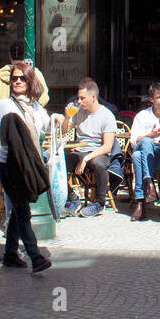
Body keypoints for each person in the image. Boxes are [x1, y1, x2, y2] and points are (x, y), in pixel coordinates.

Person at [0, 62, 52, 272]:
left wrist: (65, 119)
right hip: (10, 164)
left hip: (27, 164)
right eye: (14, 78)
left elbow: (47, 126)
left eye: (22, 78)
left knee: (18, 210)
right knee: (22, 210)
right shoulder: (4, 105)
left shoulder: (36, 107)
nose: (17, 81)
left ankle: (10, 254)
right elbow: (1, 135)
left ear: (30, 82)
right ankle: (35, 257)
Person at [60, 78, 117, 217]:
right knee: (57, 163)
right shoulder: (79, 111)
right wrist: (67, 118)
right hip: (80, 151)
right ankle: (72, 198)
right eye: (78, 98)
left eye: (82, 98)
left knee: (99, 163)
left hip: (97, 152)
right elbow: (64, 131)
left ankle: (99, 203)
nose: (78, 101)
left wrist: (86, 159)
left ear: (93, 97)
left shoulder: (107, 115)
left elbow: (107, 146)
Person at [129, 82, 160, 220]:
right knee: (140, 150)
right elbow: (134, 141)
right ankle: (149, 185)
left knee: (137, 156)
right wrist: (150, 136)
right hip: (149, 154)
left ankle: (141, 201)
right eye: (159, 97)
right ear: (151, 100)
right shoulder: (142, 116)